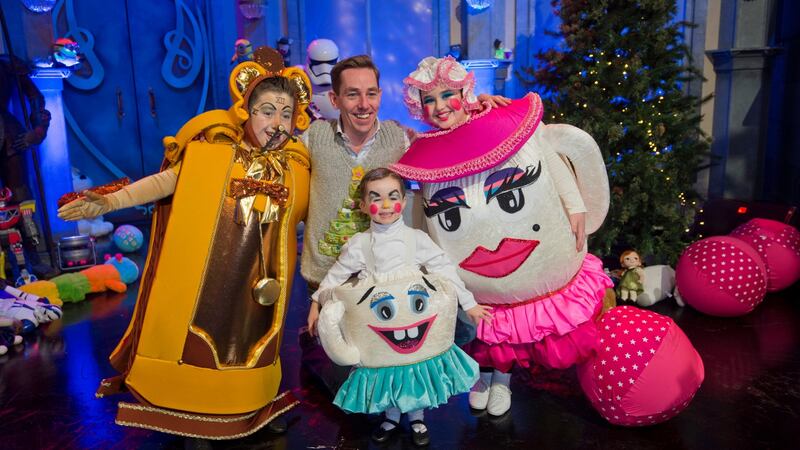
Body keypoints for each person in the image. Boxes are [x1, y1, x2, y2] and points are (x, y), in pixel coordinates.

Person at [57, 47, 313, 439]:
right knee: (207, 342)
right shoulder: (213, 152)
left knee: (254, 342)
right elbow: (164, 183)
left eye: (284, 113)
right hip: (213, 275)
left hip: (265, 282)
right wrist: (109, 200)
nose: (276, 122)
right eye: (266, 110)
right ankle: (194, 409)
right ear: (247, 110)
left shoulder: (296, 165)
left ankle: (254, 404)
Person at [391, 56, 613, 416]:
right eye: (429, 99)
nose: (440, 106)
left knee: (508, 334)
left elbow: (545, 154)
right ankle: (481, 375)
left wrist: (574, 206)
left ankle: (504, 382)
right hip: (475, 270)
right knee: (485, 330)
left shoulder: (498, 122)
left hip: (517, 254)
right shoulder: (425, 151)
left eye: (448, 94)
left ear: (464, 91)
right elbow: (423, 212)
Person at [314, 167, 487, 446]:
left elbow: (444, 269)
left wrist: (469, 302)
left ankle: (417, 417)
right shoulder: (359, 245)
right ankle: (391, 417)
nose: (384, 205)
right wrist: (317, 302)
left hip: (415, 313)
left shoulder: (416, 239)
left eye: (392, 196)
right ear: (362, 205)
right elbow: (335, 276)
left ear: (404, 202)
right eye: (375, 197)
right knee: (388, 368)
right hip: (381, 319)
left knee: (413, 365)